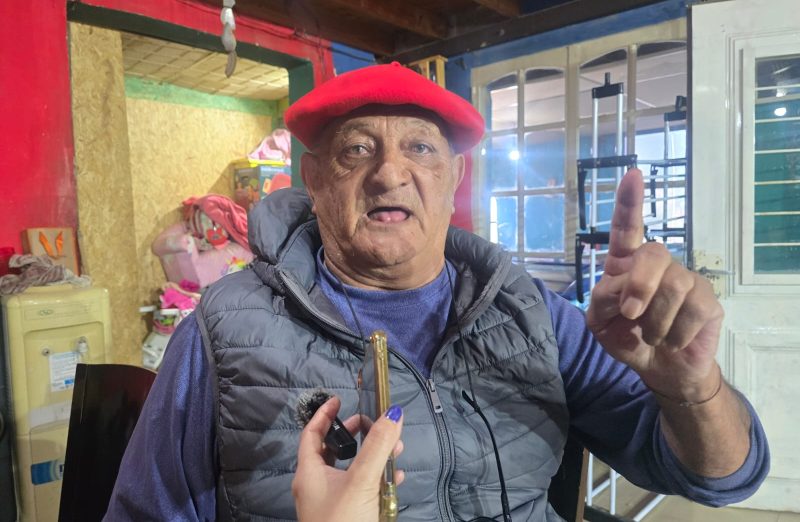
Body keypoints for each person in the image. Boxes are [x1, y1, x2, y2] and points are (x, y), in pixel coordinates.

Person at [104, 63, 769, 521]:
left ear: (455, 177)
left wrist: (691, 387)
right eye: (356, 150)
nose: (389, 173)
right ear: (314, 180)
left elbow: (720, 479)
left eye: (420, 149)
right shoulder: (224, 327)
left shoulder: (530, 311)